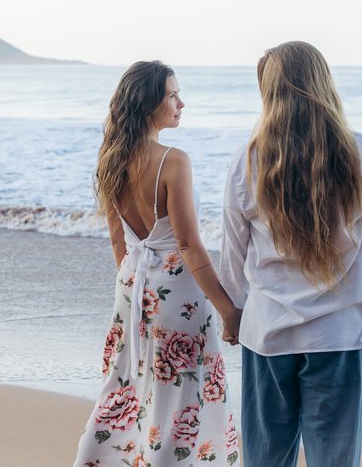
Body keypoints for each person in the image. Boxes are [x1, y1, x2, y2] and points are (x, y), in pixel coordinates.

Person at [219, 41, 362, 467]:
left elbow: (232, 253)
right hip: (337, 335)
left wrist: (232, 315)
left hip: (267, 333)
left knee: (265, 459)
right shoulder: (361, 154)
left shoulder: (247, 161)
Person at [74, 61, 242, 467]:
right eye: (172, 95)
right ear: (148, 103)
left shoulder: (110, 158)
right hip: (176, 294)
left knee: (124, 391)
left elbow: (119, 242)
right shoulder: (173, 161)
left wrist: (137, 289)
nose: (181, 103)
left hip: (132, 289)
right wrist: (229, 311)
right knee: (179, 403)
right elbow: (187, 244)